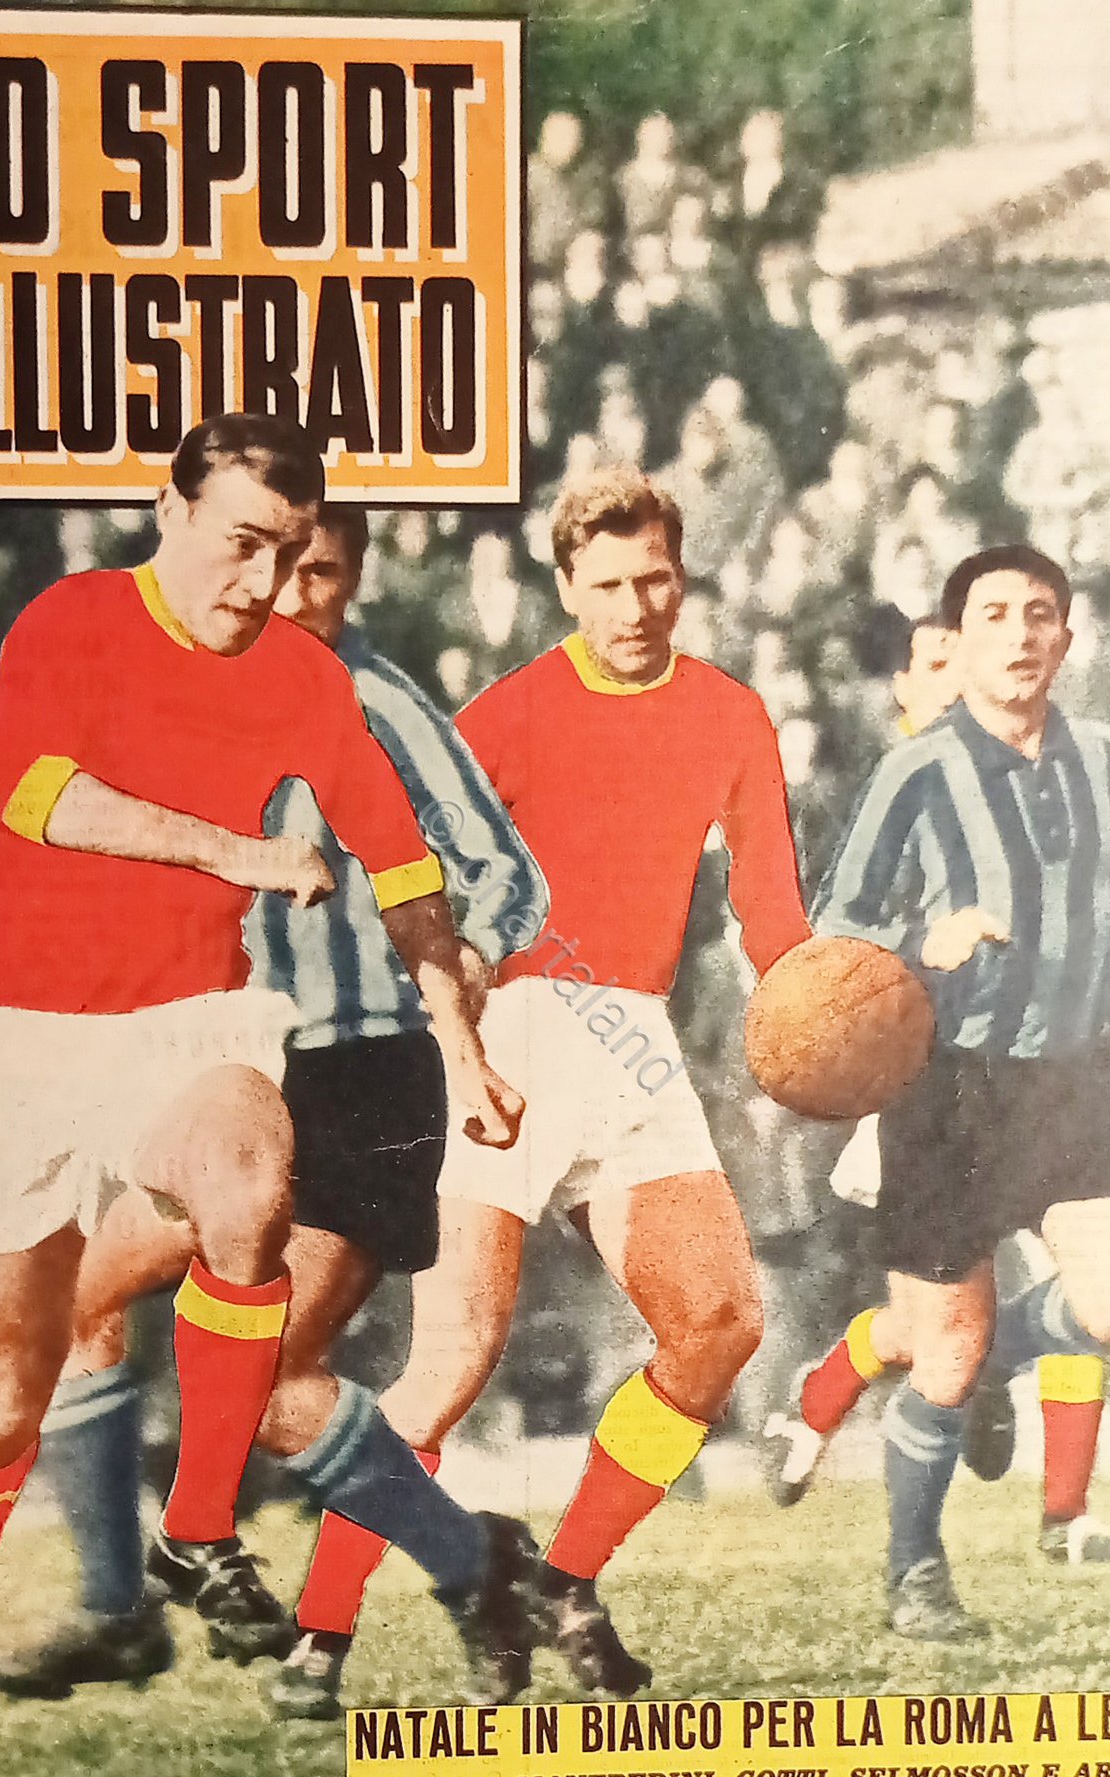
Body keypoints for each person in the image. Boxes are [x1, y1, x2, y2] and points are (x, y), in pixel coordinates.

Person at [0, 417, 535, 1777]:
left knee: (247, 1184)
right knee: (5, 1388)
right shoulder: (74, 622)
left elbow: (404, 866)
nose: (264, 583)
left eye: (291, 555)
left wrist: (463, 1041)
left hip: (191, 1027)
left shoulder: (307, 678)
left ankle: (193, 1534)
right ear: (169, 509)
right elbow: (18, 787)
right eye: (243, 544)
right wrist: (232, 850)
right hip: (21, 1041)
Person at [293, 464, 813, 1699]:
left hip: (633, 1038)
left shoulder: (730, 713)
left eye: (657, 580)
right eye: (610, 584)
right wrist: (445, 1000)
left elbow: (772, 910)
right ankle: (323, 1626)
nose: (637, 606)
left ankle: (566, 1578)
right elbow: (402, 861)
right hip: (512, 1030)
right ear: (567, 585)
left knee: (721, 1322)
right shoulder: (513, 714)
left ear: (683, 578)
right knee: (453, 1358)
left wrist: (819, 1012)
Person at [785, 546, 1110, 1642]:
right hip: (951, 1088)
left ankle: (983, 1366)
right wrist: (918, 943)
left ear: (1065, 637)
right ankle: (914, 1575)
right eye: (995, 615)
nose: (1022, 633)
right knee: (943, 1351)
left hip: (1078, 1076)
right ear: (958, 640)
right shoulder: (917, 770)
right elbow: (834, 927)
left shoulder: (1100, 755)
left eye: (1041, 614)